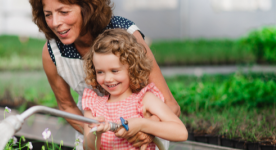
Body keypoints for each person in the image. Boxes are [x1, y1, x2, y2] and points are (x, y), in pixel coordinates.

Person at [29, 0, 181, 147]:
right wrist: (99, 134)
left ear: (86, 6)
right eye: (48, 14)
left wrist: (147, 130)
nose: (55, 22)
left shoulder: (124, 34)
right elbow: (66, 105)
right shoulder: (52, 52)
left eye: (63, 12)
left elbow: (170, 104)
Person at [82, 29, 188, 150]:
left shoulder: (145, 99)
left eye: (114, 71)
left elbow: (181, 133)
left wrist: (142, 124)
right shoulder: (94, 106)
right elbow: (88, 147)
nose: (108, 79)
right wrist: (96, 132)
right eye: (100, 72)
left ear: (132, 68)